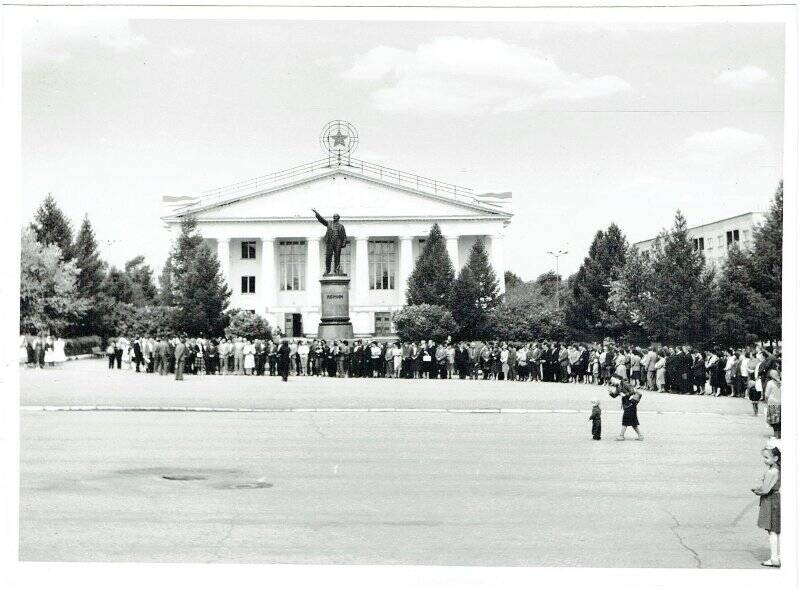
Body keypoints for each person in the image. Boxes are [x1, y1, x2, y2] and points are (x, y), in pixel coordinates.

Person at [752, 446, 781, 568]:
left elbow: (765, 489)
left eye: (766, 457)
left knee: (772, 530)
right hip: (777, 498)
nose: (764, 460)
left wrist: (756, 490)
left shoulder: (772, 471)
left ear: (775, 458)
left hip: (770, 501)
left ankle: (774, 558)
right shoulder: (778, 468)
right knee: (777, 530)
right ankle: (778, 555)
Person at [609, 375, 643, 441]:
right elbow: (615, 395)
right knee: (633, 422)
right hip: (628, 404)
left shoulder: (625, 383)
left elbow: (632, 391)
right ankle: (640, 436)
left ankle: (621, 436)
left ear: (617, 379)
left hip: (630, 404)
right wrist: (611, 393)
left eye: (612, 380)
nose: (611, 382)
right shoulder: (618, 386)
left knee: (625, 419)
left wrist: (625, 395)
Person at [764, 369, 781, 439]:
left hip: (772, 403)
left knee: (774, 420)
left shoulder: (770, 383)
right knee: (780, 420)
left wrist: (766, 400)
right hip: (781, 403)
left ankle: (775, 434)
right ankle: (780, 434)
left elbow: (766, 394)